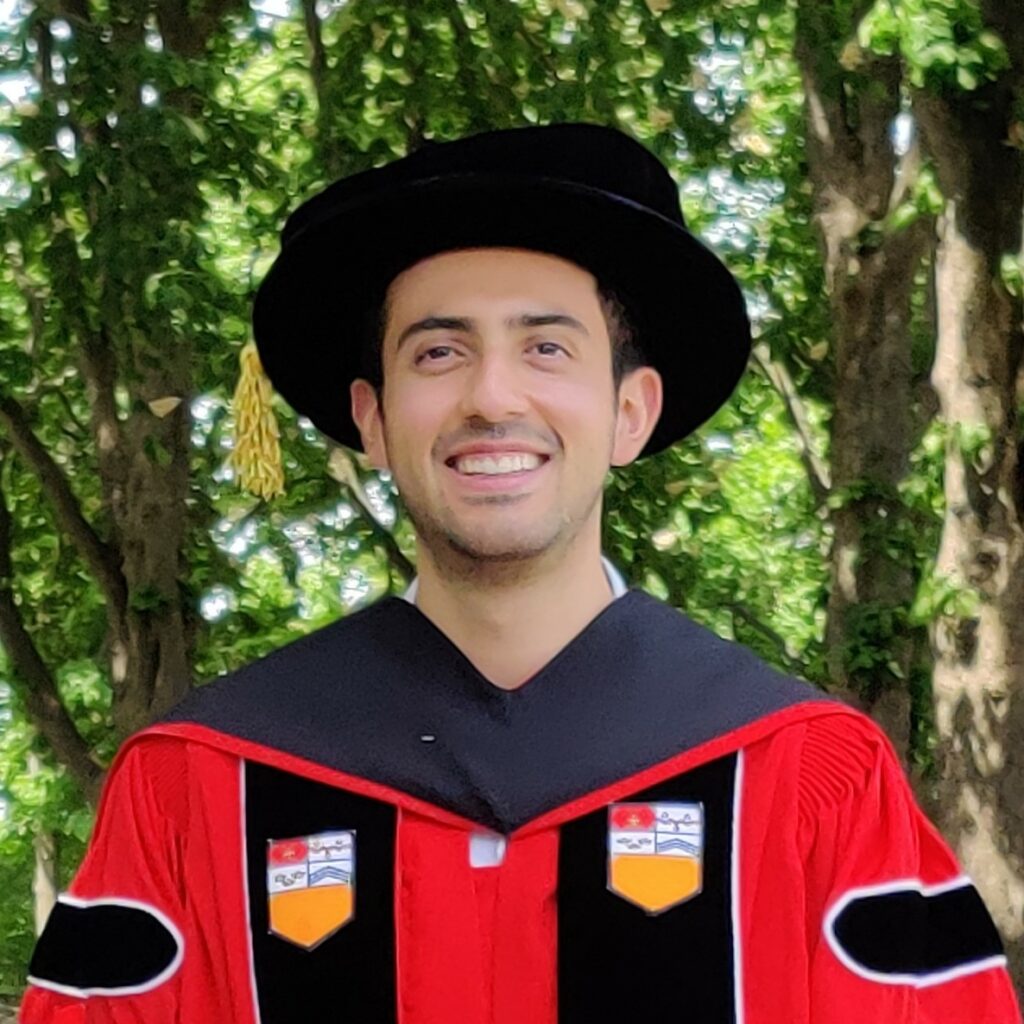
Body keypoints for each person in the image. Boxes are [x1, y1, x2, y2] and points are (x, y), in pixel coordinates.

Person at [20, 124, 1020, 1024]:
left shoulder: (807, 779)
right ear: (370, 419)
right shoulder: (201, 785)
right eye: (438, 352)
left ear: (632, 412)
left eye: (545, 346)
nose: (491, 395)